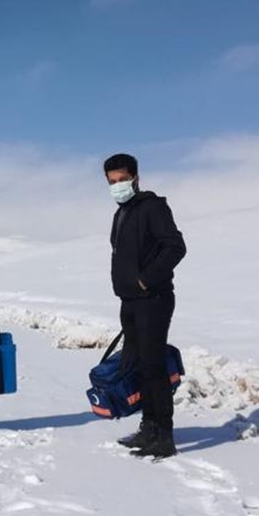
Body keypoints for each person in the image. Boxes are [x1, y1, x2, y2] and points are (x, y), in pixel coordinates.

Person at [104, 153, 187, 459]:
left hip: (153, 299)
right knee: (140, 366)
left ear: (136, 179)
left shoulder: (153, 207)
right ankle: (148, 427)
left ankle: (163, 435)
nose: (118, 185)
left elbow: (175, 246)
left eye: (123, 179)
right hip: (130, 301)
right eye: (112, 181)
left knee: (154, 366)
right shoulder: (122, 213)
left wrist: (145, 280)